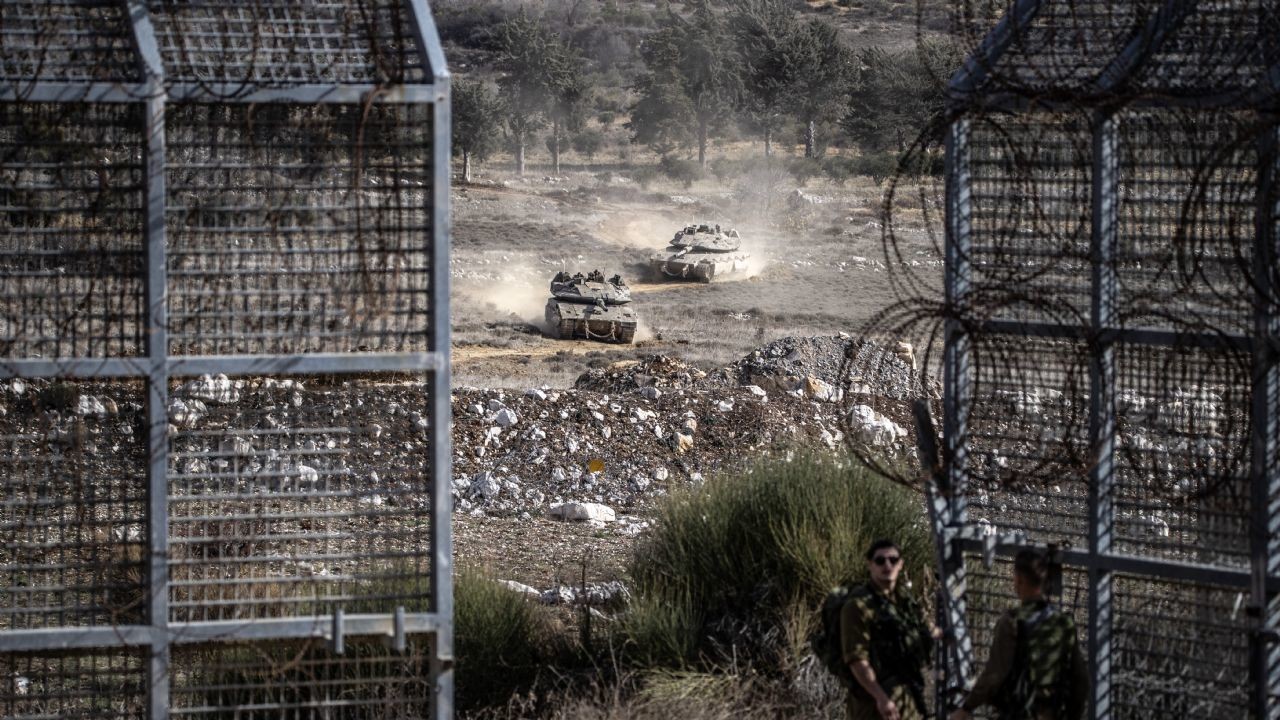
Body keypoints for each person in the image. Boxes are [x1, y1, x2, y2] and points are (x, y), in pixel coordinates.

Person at [949, 549, 1088, 720]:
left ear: (1019, 580)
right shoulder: (1064, 623)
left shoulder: (1011, 622)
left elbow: (994, 675)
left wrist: (967, 707)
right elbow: (1080, 680)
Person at [842, 539, 935, 720]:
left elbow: (925, 632)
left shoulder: (903, 602)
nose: (887, 565)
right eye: (880, 560)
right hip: (873, 705)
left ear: (901, 564)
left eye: (893, 560)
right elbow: (857, 660)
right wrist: (881, 698)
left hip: (907, 701)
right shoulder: (857, 607)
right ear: (870, 564)